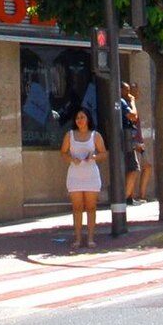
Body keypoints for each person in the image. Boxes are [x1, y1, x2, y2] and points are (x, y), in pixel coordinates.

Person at [60, 107, 106, 250]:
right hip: (75, 175)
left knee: (91, 207)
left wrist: (94, 157)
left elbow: (104, 153)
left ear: (88, 119)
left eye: (82, 117)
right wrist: (71, 159)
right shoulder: (70, 135)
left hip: (91, 175)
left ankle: (91, 238)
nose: (80, 120)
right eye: (78, 118)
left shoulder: (95, 135)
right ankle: (78, 238)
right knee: (77, 207)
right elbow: (63, 152)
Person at [119, 82, 144, 204]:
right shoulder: (122, 102)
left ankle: (129, 198)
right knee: (134, 167)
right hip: (126, 137)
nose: (128, 94)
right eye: (126, 90)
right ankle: (124, 197)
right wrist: (133, 102)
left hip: (125, 137)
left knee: (128, 168)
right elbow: (134, 116)